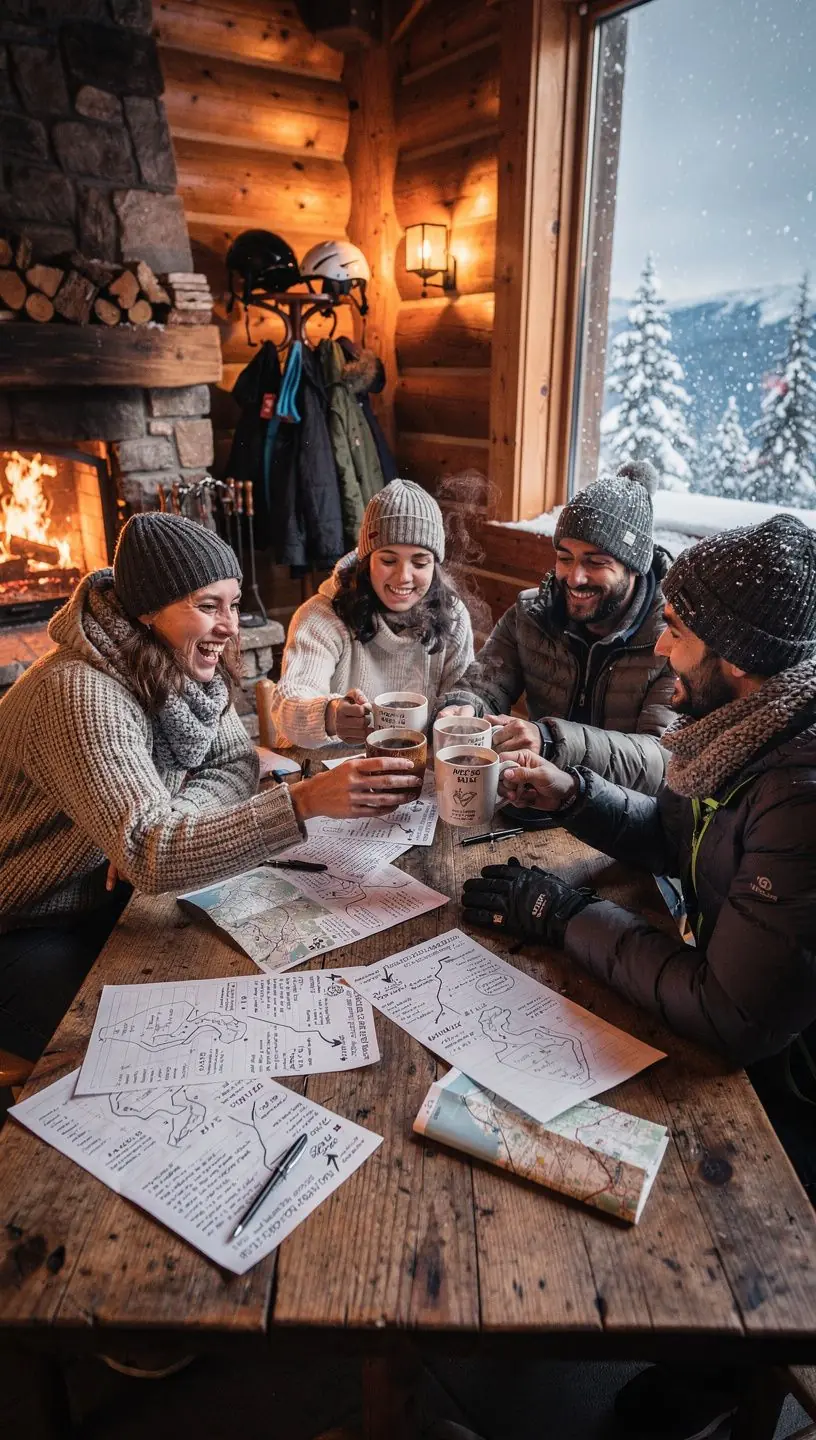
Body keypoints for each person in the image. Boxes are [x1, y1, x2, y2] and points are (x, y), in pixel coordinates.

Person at [461, 513, 816, 1440]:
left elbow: (733, 1013)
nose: (662, 644)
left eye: (679, 631)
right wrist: (577, 797)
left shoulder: (802, 785)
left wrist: (566, 913)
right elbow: (690, 844)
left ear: (736, 657)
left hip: (797, 1089)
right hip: (754, 1009)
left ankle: (715, 1362)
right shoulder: (751, 727)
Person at [0, 513, 421, 1063]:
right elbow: (153, 852)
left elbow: (232, 763)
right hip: (27, 924)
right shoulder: (79, 692)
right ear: (146, 610)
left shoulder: (175, 659)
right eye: (206, 606)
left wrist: (171, 815)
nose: (230, 627)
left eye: (233, 602)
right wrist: (304, 801)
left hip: (112, 900)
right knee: (160, 1048)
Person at [437, 460, 675, 792]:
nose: (575, 577)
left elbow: (661, 760)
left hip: (628, 825)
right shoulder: (532, 613)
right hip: (537, 800)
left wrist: (551, 741)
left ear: (634, 567)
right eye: (565, 558)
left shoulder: (673, 637)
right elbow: (485, 684)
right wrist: (461, 707)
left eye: (596, 562)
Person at [270, 478, 474, 747]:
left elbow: (463, 690)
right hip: (332, 766)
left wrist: (461, 708)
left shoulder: (453, 616)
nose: (403, 577)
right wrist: (329, 715)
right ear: (366, 562)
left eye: (420, 562)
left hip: (416, 768)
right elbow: (290, 698)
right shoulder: (322, 615)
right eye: (388, 560)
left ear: (434, 566)